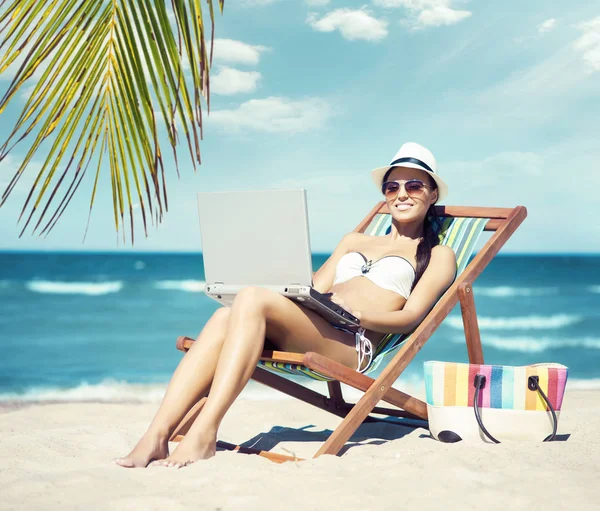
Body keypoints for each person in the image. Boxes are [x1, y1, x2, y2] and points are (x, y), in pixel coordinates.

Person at [114, 142, 457, 468]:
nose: (401, 195)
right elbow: (312, 289)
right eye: (391, 188)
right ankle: (155, 436)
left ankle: (205, 431)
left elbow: (412, 318)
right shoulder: (356, 240)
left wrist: (360, 314)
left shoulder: (438, 255)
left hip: (351, 343)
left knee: (250, 298)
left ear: (432, 193)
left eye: (414, 186)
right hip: (317, 322)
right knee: (223, 316)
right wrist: (275, 264)